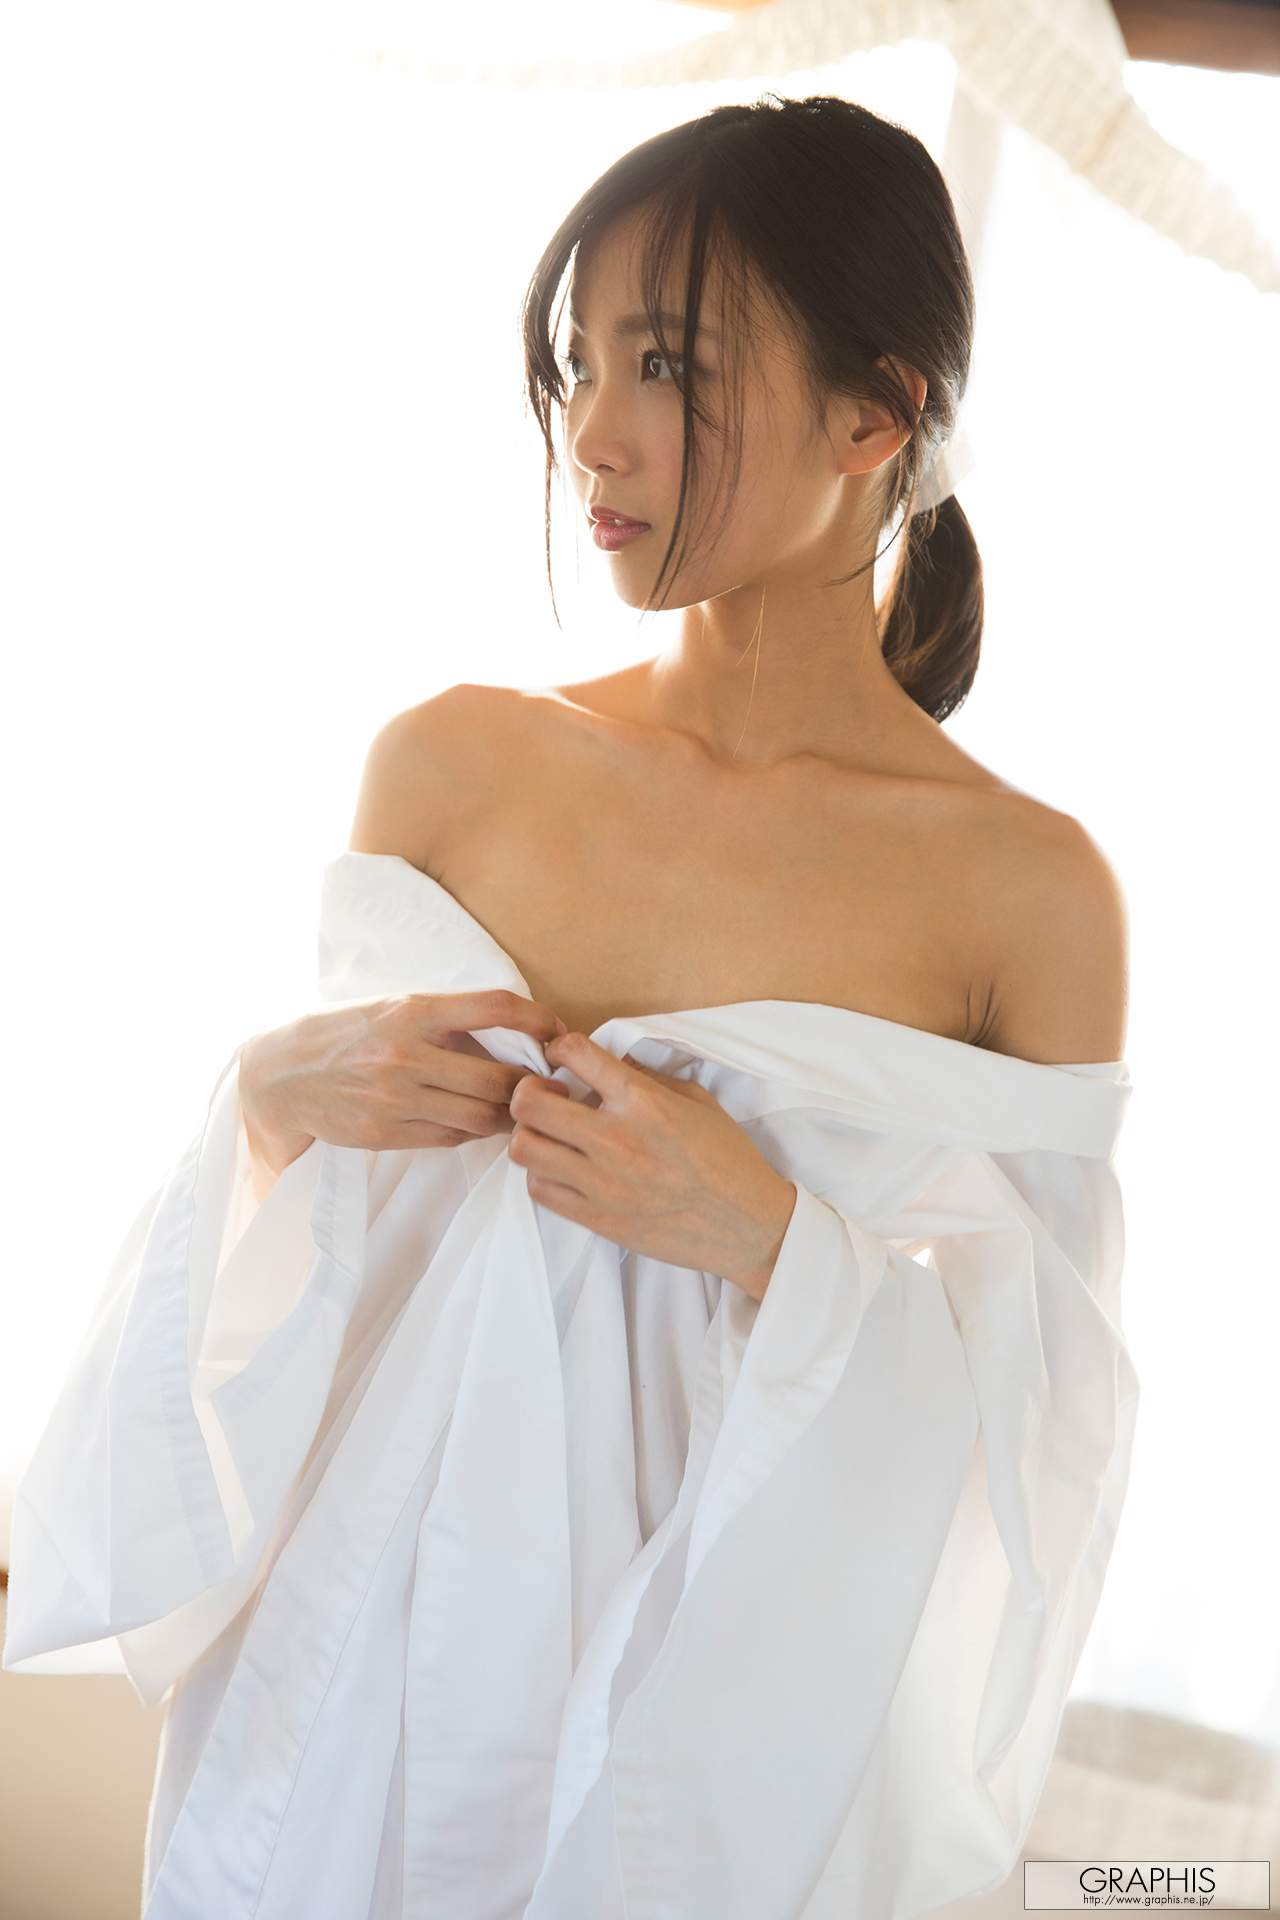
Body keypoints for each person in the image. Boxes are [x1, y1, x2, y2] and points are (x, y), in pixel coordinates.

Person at [3, 95, 1135, 1920]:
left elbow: (1048, 1426)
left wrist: (767, 1236)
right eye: (578, 360)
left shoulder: (1031, 896)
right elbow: (332, 1254)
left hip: (711, 1711)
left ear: (875, 415)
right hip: (354, 1687)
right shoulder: (450, 765)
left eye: (668, 366)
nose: (592, 430)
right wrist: (271, 1099)